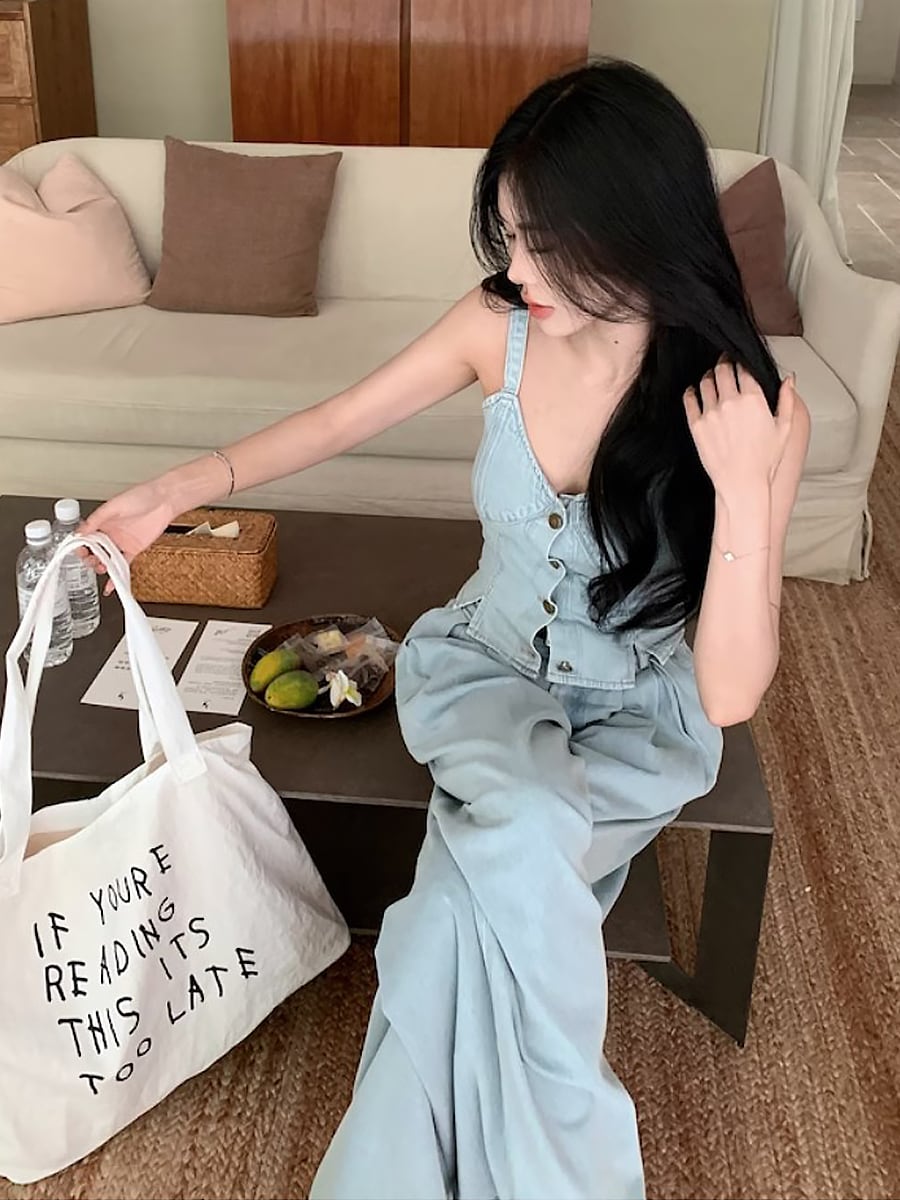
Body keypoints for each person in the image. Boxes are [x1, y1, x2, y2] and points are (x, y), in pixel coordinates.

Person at [83, 59, 809, 1200]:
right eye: (509, 236)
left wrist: (745, 489)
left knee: (455, 916)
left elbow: (728, 695)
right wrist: (172, 489)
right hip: (487, 673)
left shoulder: (749, 406)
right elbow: (340, 419)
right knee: (526, 829)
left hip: (640, 717)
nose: (516, 271)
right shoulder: (499, 329)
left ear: (638, 232)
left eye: (545, 245)